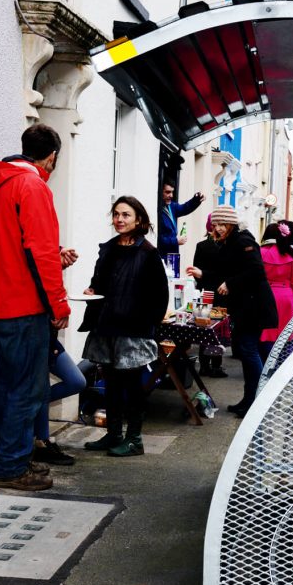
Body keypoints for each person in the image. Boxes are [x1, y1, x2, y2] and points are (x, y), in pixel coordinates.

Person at [0, 123, 69, 491]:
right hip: (24, 305)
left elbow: (16, 249)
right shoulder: (32, 186)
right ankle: (10, 468)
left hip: (1, 301)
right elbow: (41, 251)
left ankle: (10, 459)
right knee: (28, 389)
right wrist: (59, 303)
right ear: (50, 157)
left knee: (8, 385)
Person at [79, 196, 169, 457]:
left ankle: (134, 439)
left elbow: (159, 296)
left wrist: (146, 325)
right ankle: (113, 434)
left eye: (126, 215)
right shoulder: (108, 248)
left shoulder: (148, 253)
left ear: (139, 219)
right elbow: (99, 283)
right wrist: (92, 290)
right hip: (106, 326)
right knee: (112, 384)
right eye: (116, 214)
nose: (119, 219)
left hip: (133, 330)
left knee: (132, 386)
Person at [189, 205, 276, 417]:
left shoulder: (243, 241)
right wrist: (202, 274)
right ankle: (248, 400)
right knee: (246, 352)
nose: (217, 228)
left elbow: (256, 271)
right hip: (244, 307)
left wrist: (231, 283)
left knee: (248, 351)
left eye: (221, 224)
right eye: (215, 224)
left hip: (254, 307)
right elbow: (222, 272)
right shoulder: (228, 242)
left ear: (231, 224)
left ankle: (255, 400)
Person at [32, 245, 85, 466]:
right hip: (35, 330)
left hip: (50, 335)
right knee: (42, 388)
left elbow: (49, 259)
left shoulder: (47, 236)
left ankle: (36, 407)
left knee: (76, 381)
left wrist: (60, 258)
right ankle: (41, 441)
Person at [186, 211, 228, 378]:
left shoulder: (201, 246)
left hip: (206, 293)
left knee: (205, 328)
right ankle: (216, 365)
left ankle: (204, 365)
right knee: (218, 330)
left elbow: (197, 271)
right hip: (222, 292)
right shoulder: (226, 246)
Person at [259, 222, 293, 363]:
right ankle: (283, 365)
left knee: (265, 334)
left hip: (265, 296)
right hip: (287, 298)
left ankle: (266, 366)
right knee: (286, 336)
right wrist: (292, 295)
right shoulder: (291, 253)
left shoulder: (260, 252)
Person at [158, 180, 203, 263]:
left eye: (172, 192)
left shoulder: (172, 206)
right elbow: (157, 238)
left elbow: (185, 208)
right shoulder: (156, 210)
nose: (171, 195)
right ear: (160, 191)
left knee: (174, 276)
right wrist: (175, 241)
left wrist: (196, 199)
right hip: (162, 255)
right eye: (167, 192)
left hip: (173, 254)